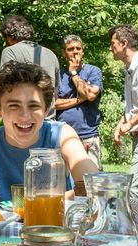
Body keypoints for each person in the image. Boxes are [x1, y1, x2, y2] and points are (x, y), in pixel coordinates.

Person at [0, 61, 98, 201]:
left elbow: (94, 187)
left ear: (46, 109)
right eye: (14, 106)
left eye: (34, 106)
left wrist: (40, 203)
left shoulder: (61, 135)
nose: (24, 116)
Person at [55, 35, 103, 170]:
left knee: (90, 180)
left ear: (83, 51)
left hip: (87, 135)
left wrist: (74, 73)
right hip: (63, 135)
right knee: (63, 181)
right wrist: (79, 99)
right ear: (64, 52)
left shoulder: (93, 71)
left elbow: (90, 94)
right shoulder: (59, 74)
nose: (75, 51)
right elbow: (53, 104)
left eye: (78, 48)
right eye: (70, 49)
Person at [0, 15, 60, 120]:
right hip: (49, 121)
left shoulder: (10, 51)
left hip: (24, 122)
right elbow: (55, 93)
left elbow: (6, 88)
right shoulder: (51, 54)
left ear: (9, 37)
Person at [109, 24, 138, 198]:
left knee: (135, 190)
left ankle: (135, 225)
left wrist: (129, 124)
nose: (111, 48)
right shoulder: (129, 69)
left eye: (113, 44)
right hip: (137, 135)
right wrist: (120, 125)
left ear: (124, 43)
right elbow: (133, 104)